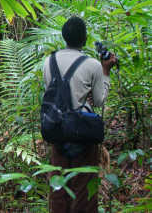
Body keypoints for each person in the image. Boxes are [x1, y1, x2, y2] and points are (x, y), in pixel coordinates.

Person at [43, 17, 117, 212]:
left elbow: (52, 96)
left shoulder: (48, 62)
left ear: (64, 37)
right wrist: (106, 71)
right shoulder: (92, 65)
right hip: (81, 133)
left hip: (57, 131)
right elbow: (99, 100)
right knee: (82, 188)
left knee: (58, 187)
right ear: (84, 38)